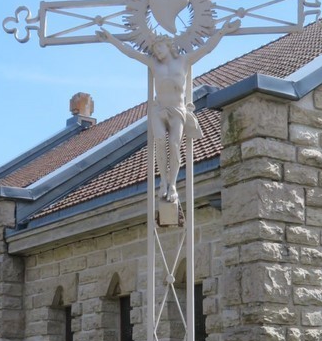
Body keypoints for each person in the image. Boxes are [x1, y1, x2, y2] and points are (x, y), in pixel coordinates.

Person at [96, 19, 239, 204]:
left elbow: (206, 49)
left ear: (168, 45)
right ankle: (162, 181)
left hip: (177, 109)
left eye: (160, 47)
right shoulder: (154, 64)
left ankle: (172, 184)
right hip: (159, 110)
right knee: (160, 141)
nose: (157, 51)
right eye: (155, 49)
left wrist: (222, 31)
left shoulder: (184, 60)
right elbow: (130, 52)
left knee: (173, 144)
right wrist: (110, 39)